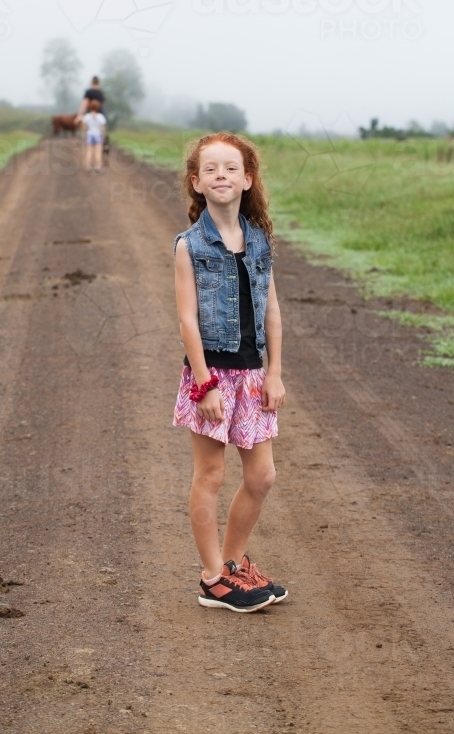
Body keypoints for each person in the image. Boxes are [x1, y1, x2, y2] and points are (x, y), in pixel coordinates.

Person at [173, 132, 287, 613]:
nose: (222, 176)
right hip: (212, 376)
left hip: (252, 374)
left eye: (231, 168)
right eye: (211, 170)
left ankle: (234, 563)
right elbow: (186, 320)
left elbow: (272, 310)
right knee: (212, 473)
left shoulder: (259, 238)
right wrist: (203, 383)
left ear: (248, 178)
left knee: (261, 476)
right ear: (196, 183)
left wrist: (275, 372)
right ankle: (212, 579)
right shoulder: (189, 246)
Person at [81, 99, 106, 173]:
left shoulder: (86, 116)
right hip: (98, 135)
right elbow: (102, 128)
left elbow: (84, 128)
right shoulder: (100, 116)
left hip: (89, 134)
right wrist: (103, 136)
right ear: (98, 107)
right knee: (98, 152)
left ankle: (88, 168)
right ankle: (98, 167)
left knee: (89, 151)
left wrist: (83, 135)